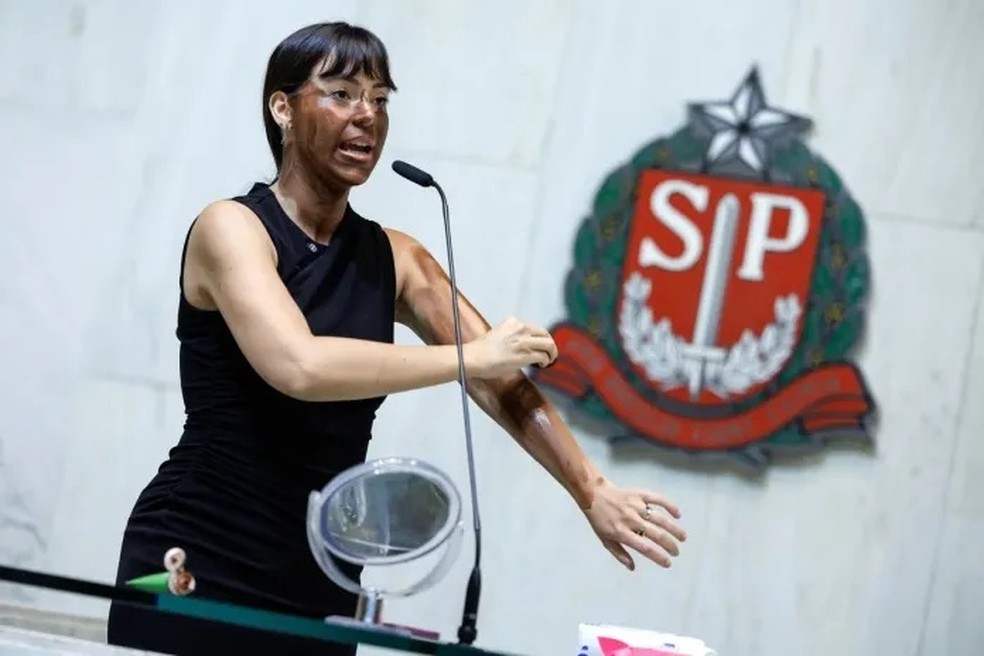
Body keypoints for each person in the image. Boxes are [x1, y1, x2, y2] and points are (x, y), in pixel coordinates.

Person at [107, 21, 687, 656]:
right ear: (283, 108)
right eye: (341, 93)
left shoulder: (398, 258)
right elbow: (299, 366)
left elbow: (499, 380)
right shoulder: (232, 229)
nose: (367, 117)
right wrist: (466, 358)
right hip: (198, 547)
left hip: (324, 569)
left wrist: (592, 491)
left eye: (380, 99)